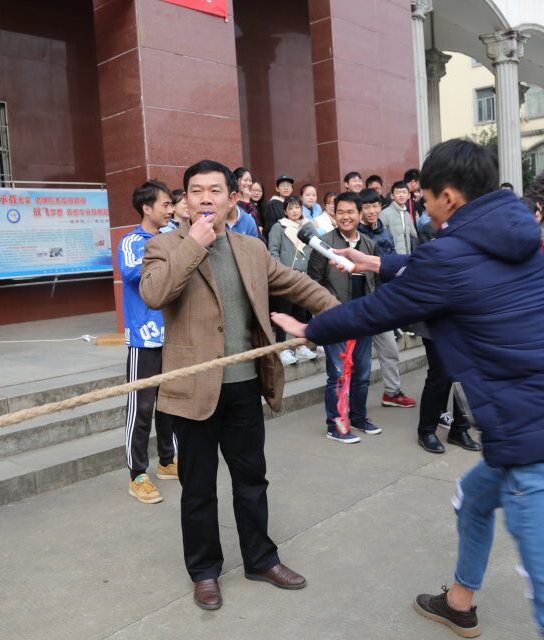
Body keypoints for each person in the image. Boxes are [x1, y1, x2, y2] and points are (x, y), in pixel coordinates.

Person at [272, 139, 544, 639]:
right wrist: (375, 263)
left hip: (540, 446)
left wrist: (312, 328)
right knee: (473, 498)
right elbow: (450, 270)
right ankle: (459, 602)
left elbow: (384, 307)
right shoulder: (518, 236)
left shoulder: (453, 254)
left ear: (449, 197)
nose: (424, 207)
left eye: (427, 198)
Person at [140, 160, 339, 611]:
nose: (205, 198)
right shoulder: (164, 246)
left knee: (251, 480)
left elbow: (297, 283)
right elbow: (154, 294)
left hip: (244, 387)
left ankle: (261, 559)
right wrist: (194, 244)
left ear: (233, 199)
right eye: (195, 191)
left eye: (215, 190)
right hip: (192, 393)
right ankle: (204, 571)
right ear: (184, 200)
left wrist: (343, 316)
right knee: (198, 489)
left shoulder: (250, 249)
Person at [119, 180, 178, 503]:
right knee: (141, 408)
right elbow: (132, 272)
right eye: (165, 205)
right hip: (144, 338)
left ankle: (168, 461)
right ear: (147, 208)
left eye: (171, 205)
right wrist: (167, 252)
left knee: (169, 404)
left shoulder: (172, 236)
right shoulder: (131, 242)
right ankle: (137, 474)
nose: (171, 210)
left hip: (174, 335)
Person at [307, 192, 382, 443]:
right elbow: (313, 283)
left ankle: (359, 417)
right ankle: (335, 424)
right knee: (338, 374)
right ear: (334, 214)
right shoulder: (323, 244)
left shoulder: (369, 244)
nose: (345, 217)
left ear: (360, 215)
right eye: (340, 212)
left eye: (350, 212)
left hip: (363, 319)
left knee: (362, 372)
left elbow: (376, 281)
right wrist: (326, 312)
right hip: (336, 320)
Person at [357, 189, 417, 409]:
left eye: (375, 206)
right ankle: (350, 404)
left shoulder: (384, 231)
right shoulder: (355, 235)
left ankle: (392, 392)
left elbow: (392, 264)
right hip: (361, 302)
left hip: (382, 300)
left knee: (390, 350)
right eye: (367, 207)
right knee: (357, 358)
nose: (372, 211)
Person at [267, 195, 318, 364]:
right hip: (286, 277)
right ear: (285, 211)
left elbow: (315, 249)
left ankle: (301, 346)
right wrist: (282, 272)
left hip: (304, 276)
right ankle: (283, 348)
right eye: (291, 208)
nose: (295, 211)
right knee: (284, 312)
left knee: (301, 312)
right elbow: (273, 251)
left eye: (297, 207)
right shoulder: (278, 227)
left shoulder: (308, 226)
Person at [380, 180, 418, 255]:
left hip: (407, 256)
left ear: (408, 196)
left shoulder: (407, 215)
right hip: (393, 257)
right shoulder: (384, 213)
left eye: (404, 192)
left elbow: (413, 235)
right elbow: (382, 237)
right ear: (392, 196)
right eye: (398, 192)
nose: (401, 195)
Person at [227, 167, 260, 238]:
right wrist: (246, 201)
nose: (248, 183)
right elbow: (242, 219)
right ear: (236, 181)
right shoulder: (231, 201)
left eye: (250, 180)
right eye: (245, 180)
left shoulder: (251, 200)